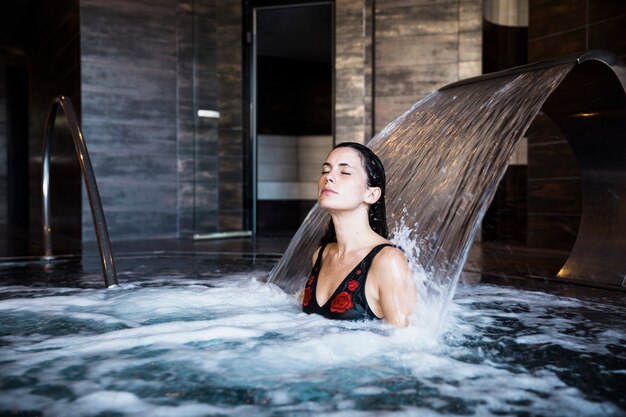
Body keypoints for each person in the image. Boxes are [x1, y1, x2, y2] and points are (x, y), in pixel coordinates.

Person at [301, 142, 416, 327]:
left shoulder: (388, 261)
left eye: (344, 172)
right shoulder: (322, 255)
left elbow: (404, 343)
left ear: (371, 194)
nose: (329, 177)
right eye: (325, 170)